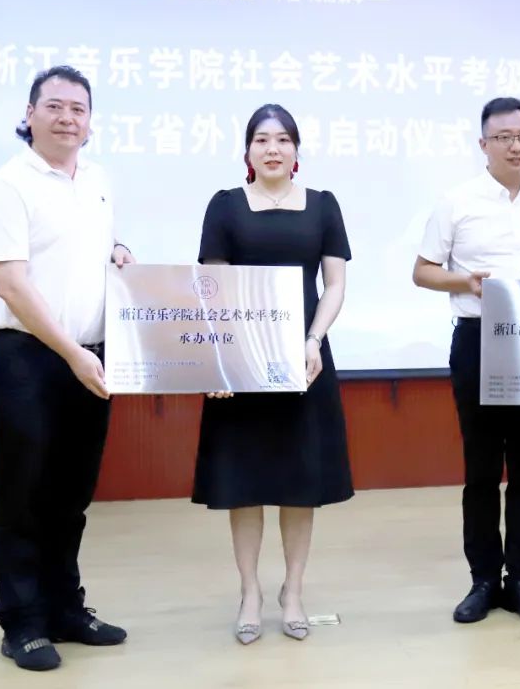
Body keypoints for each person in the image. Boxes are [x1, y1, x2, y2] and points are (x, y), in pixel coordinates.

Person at [0, 65, 133, 671]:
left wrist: (119, 252)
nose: (68, 118)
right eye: (56, 106)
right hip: (30, 357)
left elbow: (86, 251)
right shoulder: (8, 185)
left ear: (90, 122)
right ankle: (21, 622)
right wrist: (72, 352)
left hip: (92, 355)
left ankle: (66, 608)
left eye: (79, 109)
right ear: (30, 114)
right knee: (23, 493)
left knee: (72, 494)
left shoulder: (97, 179)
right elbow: (11, 284)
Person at [412, 97, 520, 626]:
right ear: (483, 144)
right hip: (478, 340)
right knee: (482, 469)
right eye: (504, 137)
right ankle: (483, 580)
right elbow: (422, 271)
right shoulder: (457, 202)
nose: (516, 146)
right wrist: (465, 281)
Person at [192, 103, 354, 644]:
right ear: (247, 151)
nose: (273, 149)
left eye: (283, 139)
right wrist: (222, 361)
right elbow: (214, 289)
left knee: (298, 484)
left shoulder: (323, 206)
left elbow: (334, 285)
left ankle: (294, 591)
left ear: (296, 150)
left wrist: (314, 340)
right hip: (242, 366)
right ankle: (250, 592)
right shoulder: (225, 206)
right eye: (262, 139)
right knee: (245, 484)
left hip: (303, 363)